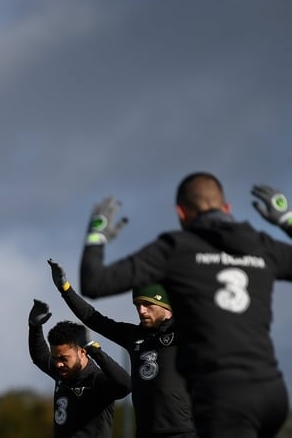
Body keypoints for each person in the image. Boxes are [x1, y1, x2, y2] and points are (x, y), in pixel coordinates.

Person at [79, 172, 292, 438]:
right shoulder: (261, 245)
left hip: (225, 396)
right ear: (227, 209)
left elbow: (94, 283)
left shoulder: (176, 249)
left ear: (181, 213)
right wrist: (287, 221)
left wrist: (97, 235)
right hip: (271, 394)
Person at [48, 259, 195, 438]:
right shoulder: (133, 336)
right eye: (137, 305)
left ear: (165, 305)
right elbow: (93, 317)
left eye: (147, 305)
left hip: (184, 432)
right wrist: (65, 289)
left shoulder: (185, 331)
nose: (141, 311)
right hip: (145, 433)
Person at [28, 300, 131, 438]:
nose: (58, 364)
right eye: (55, 358)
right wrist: (35, 327)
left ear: (82, 352)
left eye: (64, 358)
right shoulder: (63, 373)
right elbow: (39, 355)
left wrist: (95, 351)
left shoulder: (98, 380)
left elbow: (126, 385)